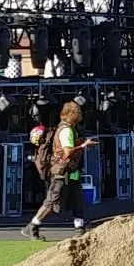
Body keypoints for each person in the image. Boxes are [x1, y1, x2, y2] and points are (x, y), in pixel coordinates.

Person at [25, 98, 96, 239]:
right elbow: (67, 151)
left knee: (78, 203)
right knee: (51, 203)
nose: (81, 115)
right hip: (62, 173)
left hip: (71, 173)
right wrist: (84, 146)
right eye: (78, 112)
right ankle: (32, 226)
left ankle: (80, 231)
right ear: (70, 114)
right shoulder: (66, 131)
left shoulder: (69, 129)